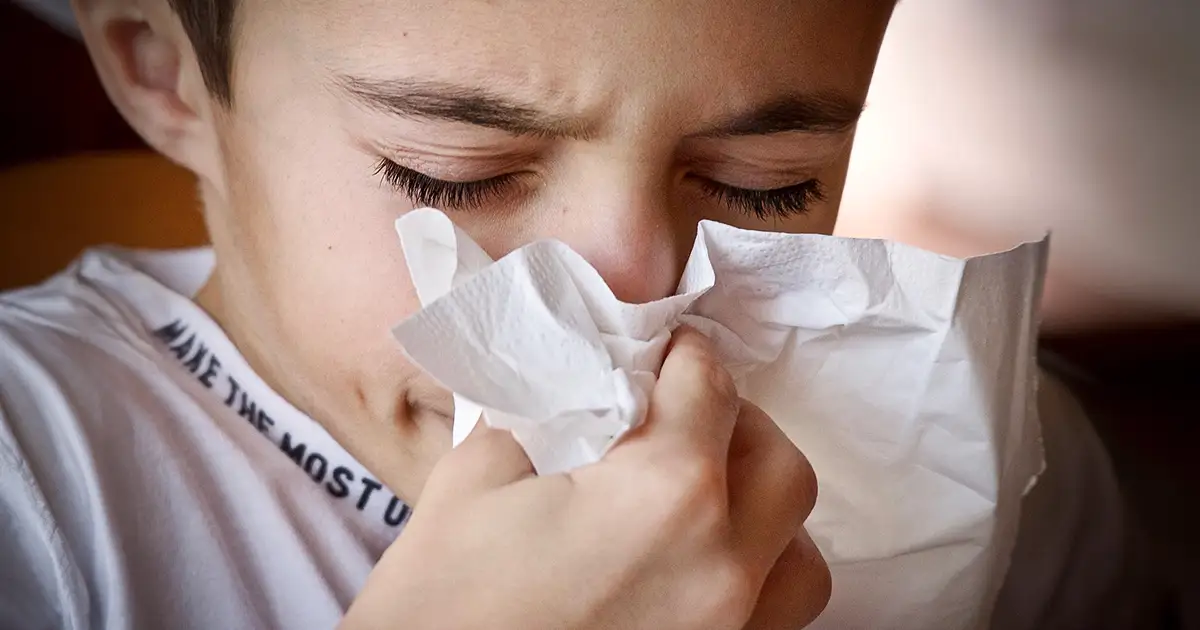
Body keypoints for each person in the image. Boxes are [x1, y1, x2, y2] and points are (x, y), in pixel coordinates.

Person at [0, 1, 1153, 628]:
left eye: (768, 184)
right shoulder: (35, 490)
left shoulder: (978, 461)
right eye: (455, 175)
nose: (635, 293)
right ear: (163, 73)